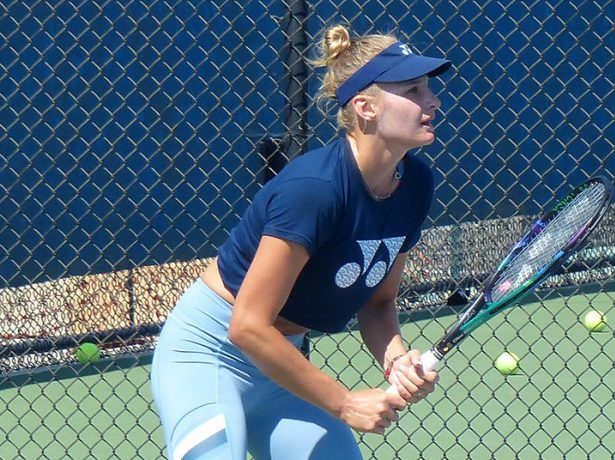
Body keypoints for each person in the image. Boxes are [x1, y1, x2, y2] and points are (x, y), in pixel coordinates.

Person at [150, 24, 452, 460]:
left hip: (280, 369)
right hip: (209, 354)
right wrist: (344, 403)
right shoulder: (315, 190)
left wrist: (397, 362)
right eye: (413, 90)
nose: (432, 100)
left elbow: (378, 302)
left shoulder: (416, 185)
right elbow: (247, 326)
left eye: (428, 88)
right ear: (365, 107)